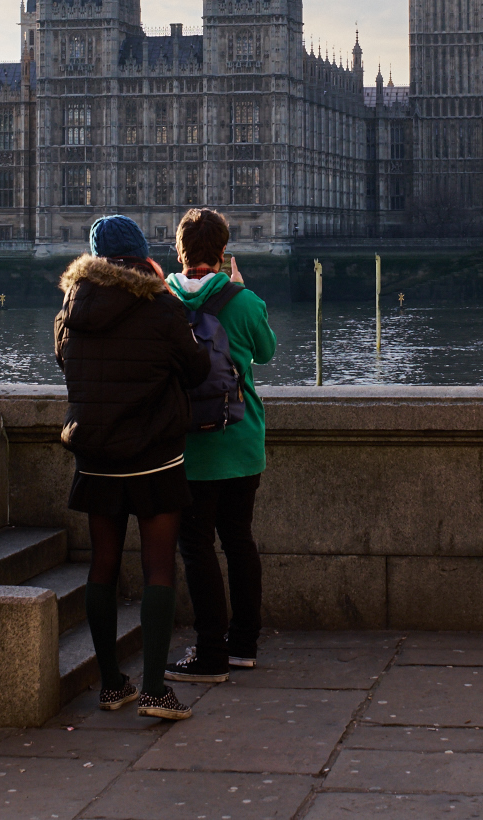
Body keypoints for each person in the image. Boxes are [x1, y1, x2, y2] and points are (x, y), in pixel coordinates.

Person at [54, 213, 209, 720]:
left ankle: (110, 684)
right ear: (141, 254)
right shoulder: (160, 306)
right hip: (153, 458)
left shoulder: (71, 308)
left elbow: (65, 362)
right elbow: (196, 367)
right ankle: (155, 690)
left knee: (102, 565)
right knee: (158, 568)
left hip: (96, 457)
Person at [163, 207, 277, 682]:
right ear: (224, 250)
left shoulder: (162, 301)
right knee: (239, 542)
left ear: (179, 250)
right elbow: (267, 353)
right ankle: (243, 645)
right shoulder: (243, 300)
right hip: (241, 439)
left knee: (197, 547)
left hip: (189, 447)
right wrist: (243, 290)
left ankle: (209, 652)